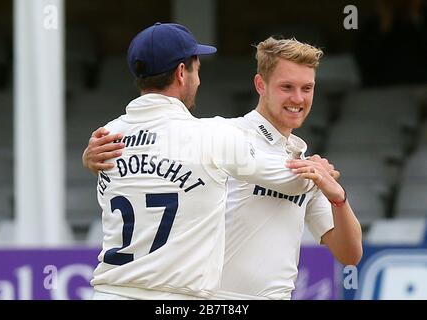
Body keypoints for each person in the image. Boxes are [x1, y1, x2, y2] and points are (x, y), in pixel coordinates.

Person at [84, 35, 363, 300]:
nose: (298, 99)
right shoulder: (219, 134)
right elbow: (158, 146)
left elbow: (349, 255)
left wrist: (339, 199)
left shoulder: (303, 161)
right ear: (260, 84)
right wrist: (92, 156)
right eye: (287, 87)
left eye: (307, 88)